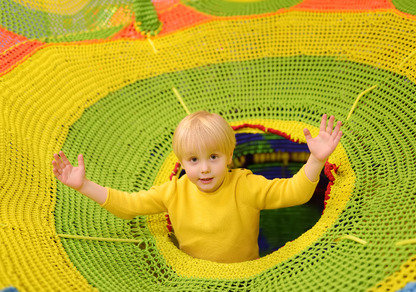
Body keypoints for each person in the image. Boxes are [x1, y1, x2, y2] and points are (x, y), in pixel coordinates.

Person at [52, 111, 342, 263]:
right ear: (181, 162)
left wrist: (316, 159)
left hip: (246, 276)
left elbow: (295, 191)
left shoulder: (245, 184)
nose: (204, 168)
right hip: (194, 279)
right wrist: (84, 185)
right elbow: (128, 205)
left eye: (213, 157)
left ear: (228, 156)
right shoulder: (173, 192)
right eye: (193, 159)